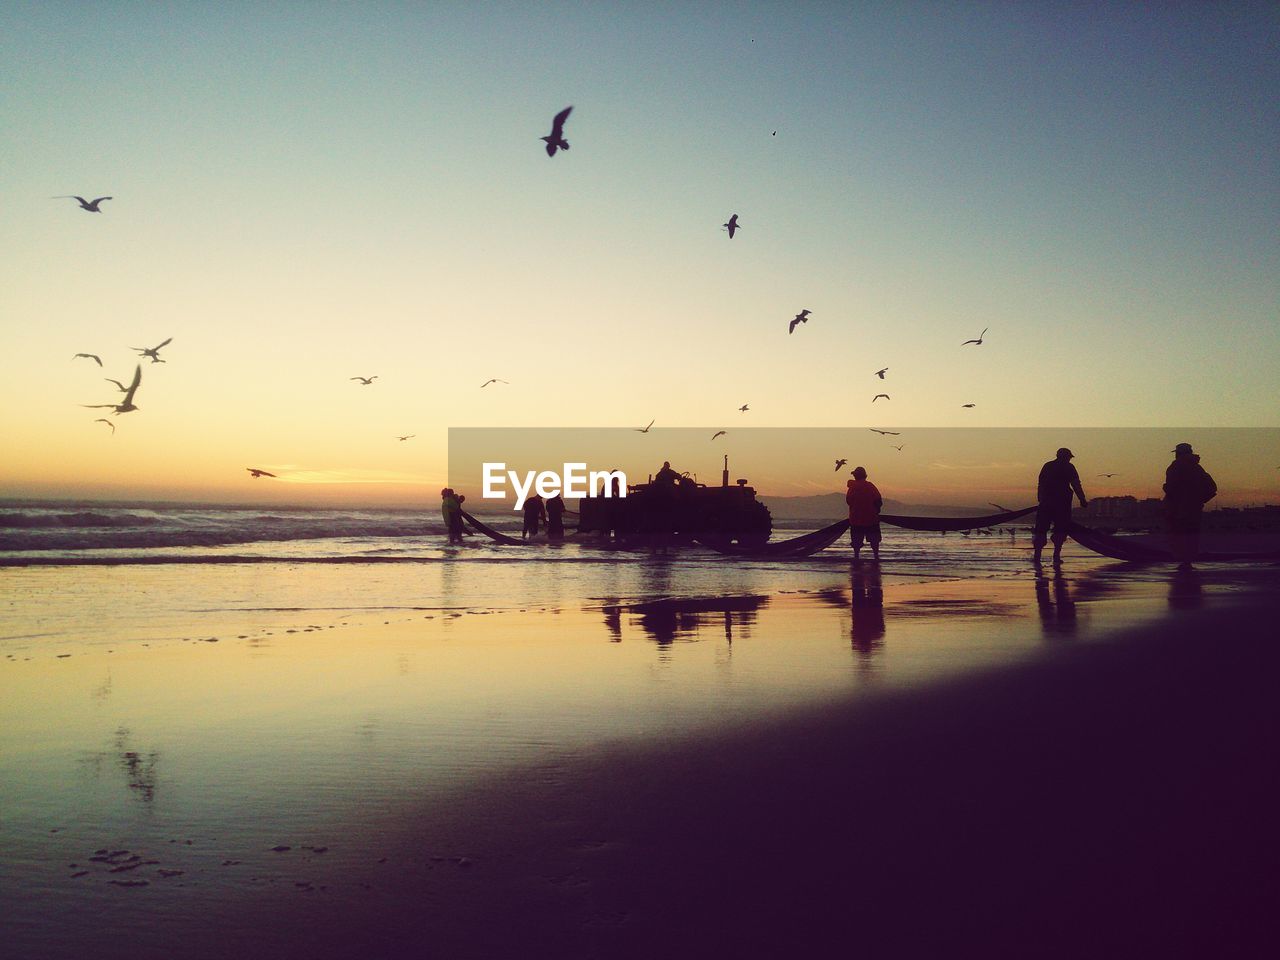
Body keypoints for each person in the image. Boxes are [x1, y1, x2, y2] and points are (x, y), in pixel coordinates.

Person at [1163, 442, 1217, 566]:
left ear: (1178, 453)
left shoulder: (1175, 467)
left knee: (1179, 536)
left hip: (1177, 509)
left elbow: (1171, 488)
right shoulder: (1197, 468)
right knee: (1191, 536)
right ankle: (1188, 561)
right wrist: (1199, 501)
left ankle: (1183, 561)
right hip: (1194, 510)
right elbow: (1212, 488)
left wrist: (1166, 489)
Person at [1032, 448, 1087, 565]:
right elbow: (1076, 484)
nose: (1069, 459)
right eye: (1069, 457)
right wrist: (1082, 499)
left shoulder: (1047, 466)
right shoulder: (1069, 467)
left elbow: (1040, 484)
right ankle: (1056, 556)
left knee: (1041, 529)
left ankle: (1037, 556)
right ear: (1066, 457)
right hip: (1062, 503)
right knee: (1060, 530)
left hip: (1046, 502)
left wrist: (1041, 499)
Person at [845, 466, 883, 561]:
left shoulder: (852, 488)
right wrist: (876, 510)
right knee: (874, 541)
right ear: (865, 476)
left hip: (856, 519)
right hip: (871, 518)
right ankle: (876, 557)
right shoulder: (870, 486)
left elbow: (848, 501)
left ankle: (856, 557)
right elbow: (878, 501)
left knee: (856, 543)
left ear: (855, 476)